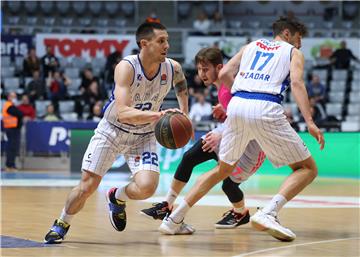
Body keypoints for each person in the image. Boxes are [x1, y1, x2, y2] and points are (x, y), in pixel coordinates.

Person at [159, 16, 325, 242]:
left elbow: (226, 73)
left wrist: (242, 94)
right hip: (265, 106)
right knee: (306, 168)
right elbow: (296, 84)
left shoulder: (251, 46)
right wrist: (310, 122)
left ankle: (174, 219)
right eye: (298, 38)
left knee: (222, 170)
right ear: (287, 34)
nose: (300, 44)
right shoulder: (292, 52)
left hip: (237, 104)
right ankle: (269, 213)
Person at [44, 22, 190, 244]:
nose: (167, 45)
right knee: (87, 186)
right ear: (145, 43)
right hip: (112, 130)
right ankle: (62, 222)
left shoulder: (173, 68)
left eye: (167, 40)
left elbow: (181, 83)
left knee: (147, 187)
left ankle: (116, 196)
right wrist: (158, 116)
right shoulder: (126, 67)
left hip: (144, 135)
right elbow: (122, 112)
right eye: (161, 41)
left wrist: (184, 113)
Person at [141, 47, 265, 230]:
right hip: (232, 135)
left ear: (219, 67)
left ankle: (240, 213)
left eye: (205, 69)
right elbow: (236, 113)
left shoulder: (233, 84)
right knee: (190, 157)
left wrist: (220, 133)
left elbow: (250, 117)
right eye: (199, 69)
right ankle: (166, 206)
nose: (201, 74)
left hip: (251, 148)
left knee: (228, 185)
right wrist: (225, 111)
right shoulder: (222, 87)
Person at [2, 92, 23, 171]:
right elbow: (19, 114)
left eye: (15, 96)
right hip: (11, 128)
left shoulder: (12, 105)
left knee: (13, 147)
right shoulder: (9, 105)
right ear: (8, 97)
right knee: (11, 147)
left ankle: (11, 165)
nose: (14, 98)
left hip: (14, 129)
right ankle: (9, 165)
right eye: (12, 96)